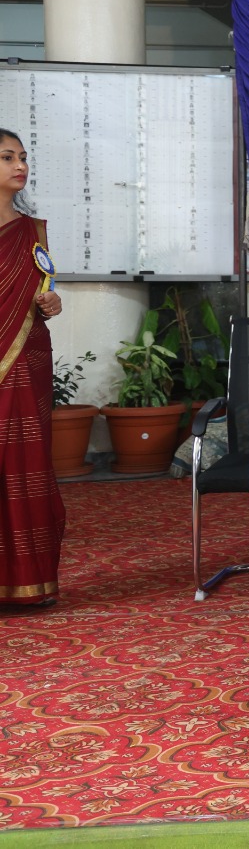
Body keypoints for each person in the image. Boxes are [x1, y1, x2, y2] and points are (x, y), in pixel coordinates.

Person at [0, 129, 65, 607]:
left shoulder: (32, 231)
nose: (20, 166)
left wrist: (51, 303)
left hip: (25, 359)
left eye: (22, 157)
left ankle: (29, 580)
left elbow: (42, 289)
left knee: (25, 463)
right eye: (7, 158)